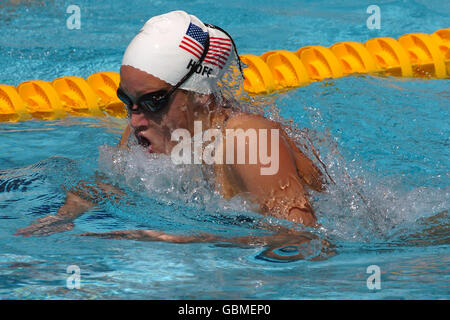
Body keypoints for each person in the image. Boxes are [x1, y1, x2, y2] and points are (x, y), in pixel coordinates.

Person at [16, 11, 329, 257]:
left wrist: (189, 239)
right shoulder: (143, 130)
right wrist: (64, 216)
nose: (135, 119)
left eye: (154, 102)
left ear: (200, 95)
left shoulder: (249, 142)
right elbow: (106, 185)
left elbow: (304, 245)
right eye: (127, 101)